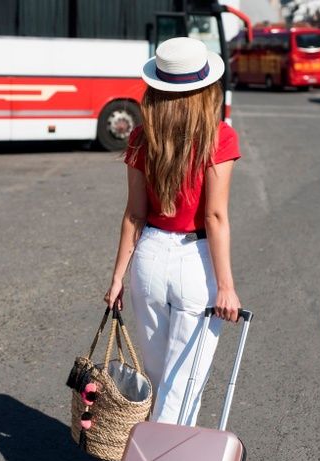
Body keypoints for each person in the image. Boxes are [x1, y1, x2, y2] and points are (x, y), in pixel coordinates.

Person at [104, 37, 241, 427]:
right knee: (184, 384)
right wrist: (226, 286)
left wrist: (117, 280)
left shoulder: (140, 137)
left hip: (148, 261)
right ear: (204, 88)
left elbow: (133, 215)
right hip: (194, 265)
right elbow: (214, 216)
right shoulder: (219, 137)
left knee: (161, 379)